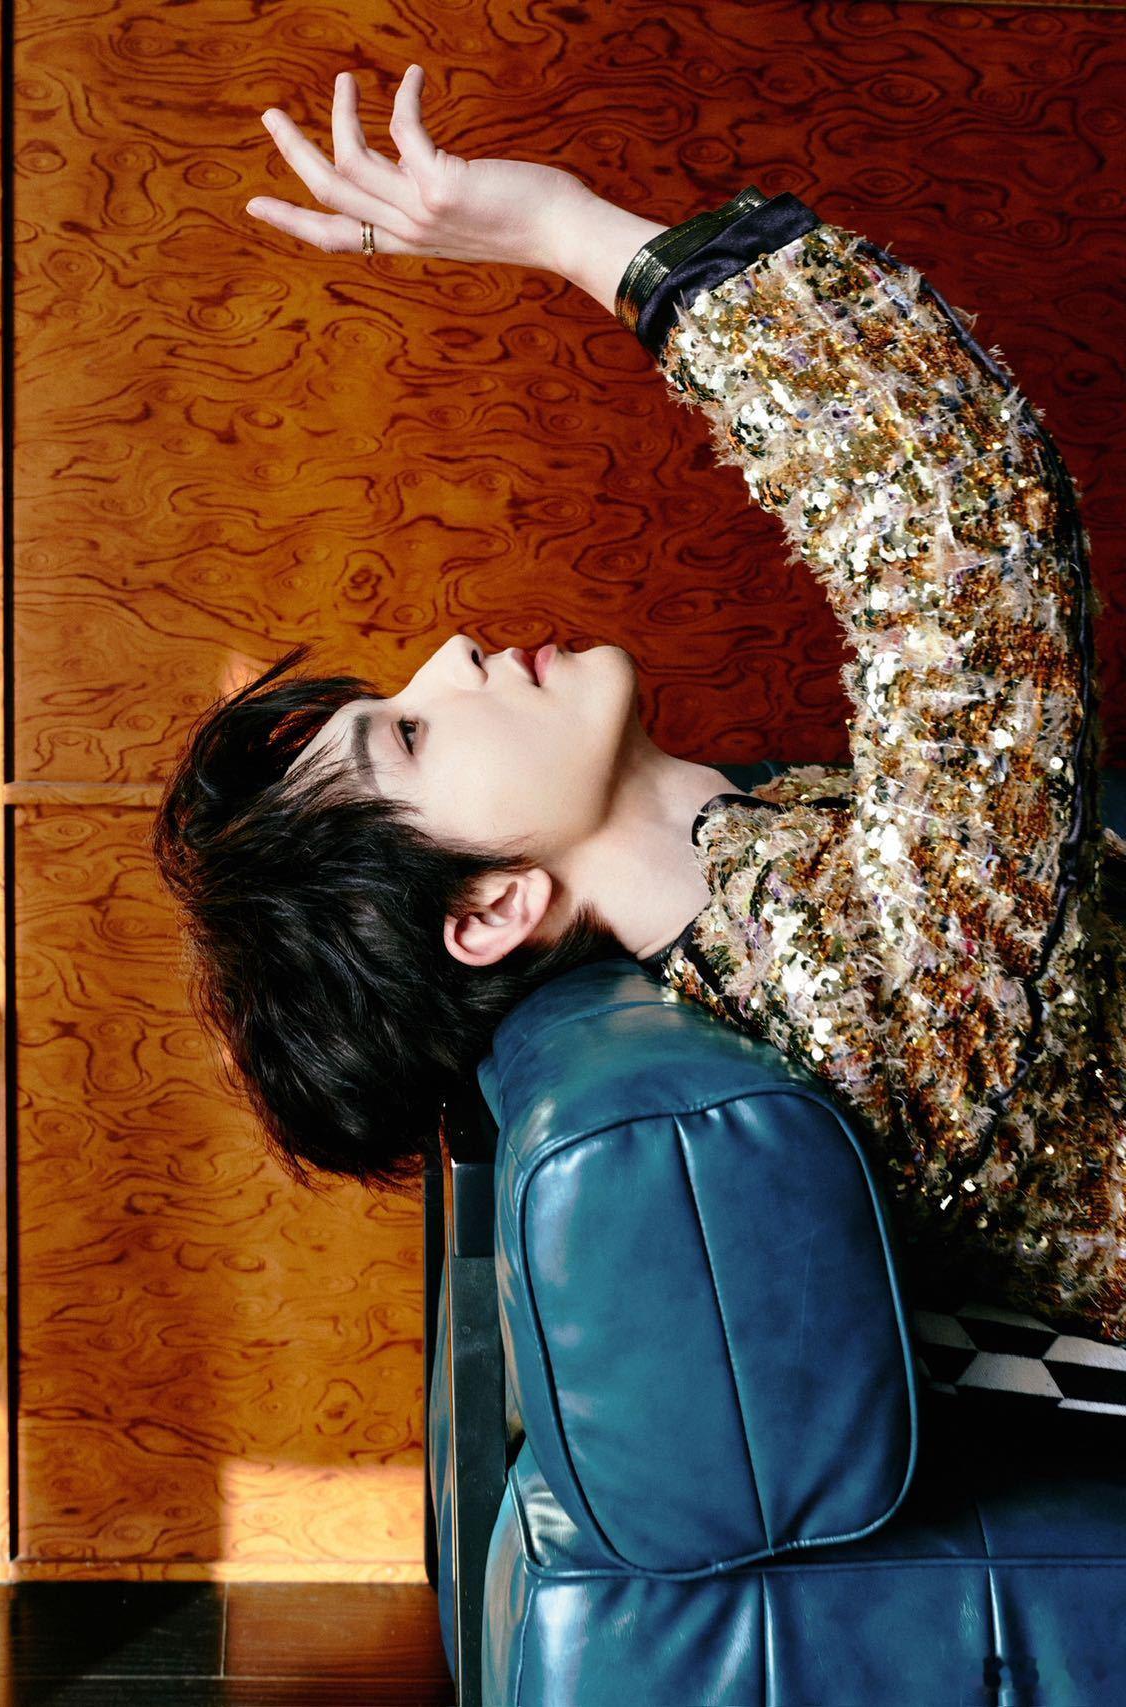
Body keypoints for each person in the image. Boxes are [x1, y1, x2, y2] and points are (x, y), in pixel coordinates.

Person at [151, 66, 1126, 1343]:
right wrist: (567, 233)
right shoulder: (830, 980)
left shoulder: (775, 890)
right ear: (491, 909)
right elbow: (964, 546)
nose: (450, 650)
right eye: (408, 733)